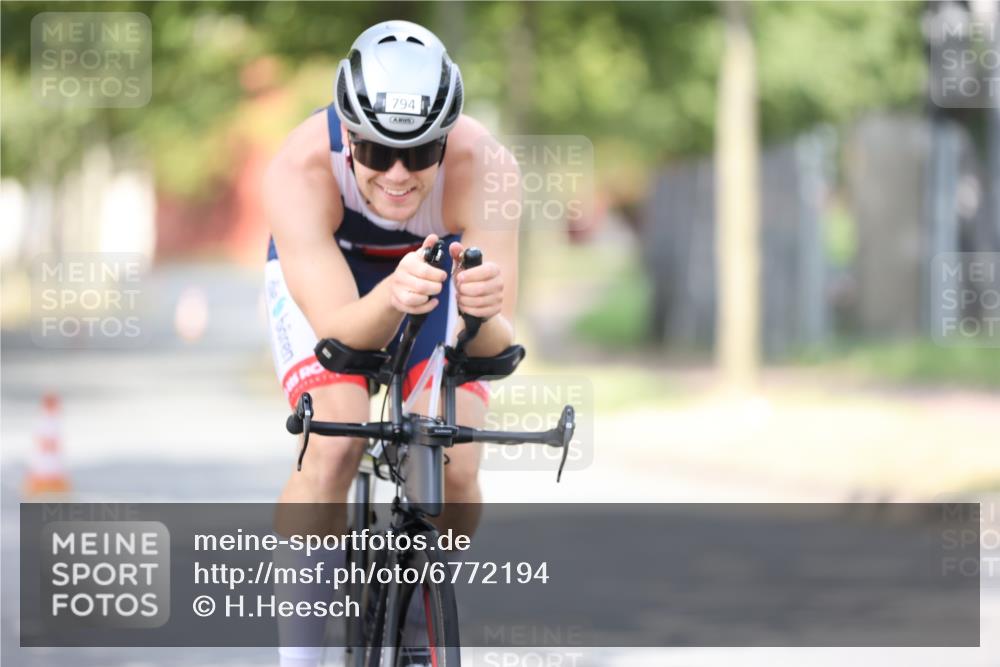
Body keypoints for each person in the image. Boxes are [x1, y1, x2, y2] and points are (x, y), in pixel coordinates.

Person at [261, 20, 519, 667]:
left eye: (421, 152)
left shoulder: (487, 168)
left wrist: (484, 313)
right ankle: (299, 657)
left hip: (430, 282)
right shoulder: (298, 168)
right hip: (338, 290)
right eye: (377, 153)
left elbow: (492, 342)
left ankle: (420, 599)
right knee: (335, 443)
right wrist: (392, 295)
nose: (399, 175)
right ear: (347, 136)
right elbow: (339, 334)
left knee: (456, 464)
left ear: (446, 140)